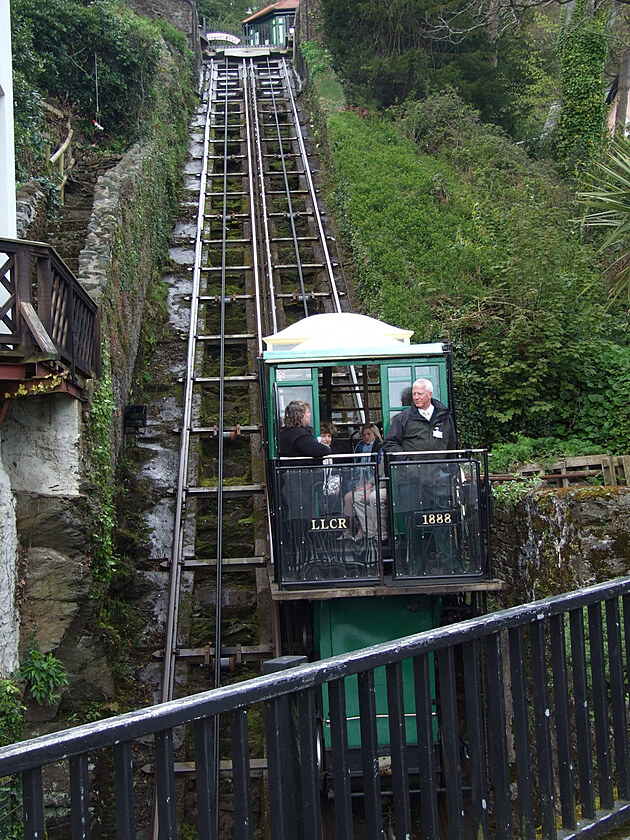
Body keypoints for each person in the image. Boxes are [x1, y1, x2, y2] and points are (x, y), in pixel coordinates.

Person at [382, 379, 458, 573]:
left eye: (419, 394)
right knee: (413, 524)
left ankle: (450, 567)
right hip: (412, 480)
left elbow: (452, 445)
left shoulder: (444, 416)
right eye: (414, 394)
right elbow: (390, 443)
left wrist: (453, 471)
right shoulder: (403, 418)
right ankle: (416, 569)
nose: (415, 397)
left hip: (438, 478)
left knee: (443, 521)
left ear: (429, 395)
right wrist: (408, 463)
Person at [343, 423, 382, 538]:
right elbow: (364, 471)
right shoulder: (362, 448)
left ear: (375, 434)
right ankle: (348, 530)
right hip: (366, 482)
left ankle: (363, 530)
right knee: (347, 496)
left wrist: (368, 486)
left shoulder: (379, 448)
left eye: (369, 434)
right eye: (364, 435)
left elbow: (378, 472)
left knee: (357, 498)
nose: (366, 437)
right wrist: (361, 484)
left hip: (376, 484)